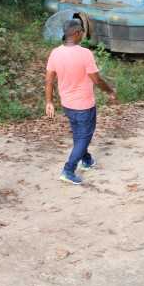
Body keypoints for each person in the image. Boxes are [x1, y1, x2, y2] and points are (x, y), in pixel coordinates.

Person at [45, 20, 117, 185]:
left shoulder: (55, 53)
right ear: (77, 33)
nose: (83, 34)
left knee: (79, 134)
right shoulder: (85, 53)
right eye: (82, 31)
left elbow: (49, 81)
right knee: (84, 136)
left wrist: (49, 101)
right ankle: (68, 170)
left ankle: (87, 160)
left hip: (67, 104)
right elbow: (97, 80)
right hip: (84, 105)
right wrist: (110, 91)